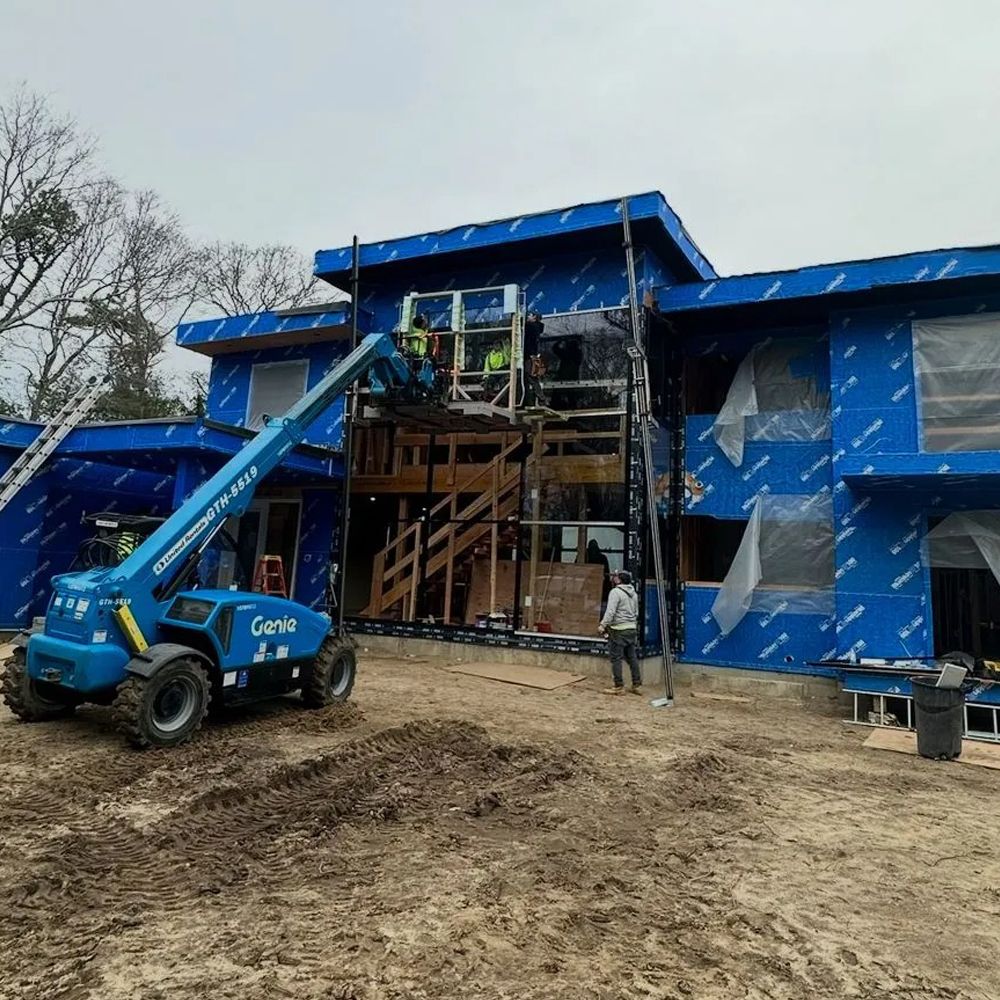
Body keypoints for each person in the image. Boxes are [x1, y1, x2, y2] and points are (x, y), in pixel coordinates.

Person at [598, 569, 641, 695]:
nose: (614, 578)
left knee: (616, 658)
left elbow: (610, 611)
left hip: (618, 630)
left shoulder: (615, 592)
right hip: (631, 629)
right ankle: (636, 683)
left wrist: (603, 625)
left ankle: (618, 686)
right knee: (632, 657)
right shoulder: (634, 593)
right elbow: (636, 612)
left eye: (616, 576)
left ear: (619, 579)